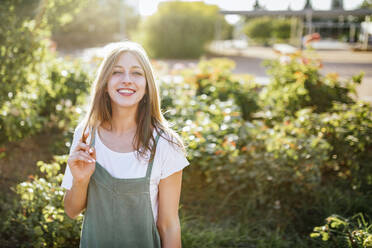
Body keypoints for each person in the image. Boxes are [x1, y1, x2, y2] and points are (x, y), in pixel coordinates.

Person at [61, 41, 190, 248]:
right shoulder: (85, 135)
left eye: (137, 73)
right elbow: (71, 210)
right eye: (117, 72)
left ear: (147, 86)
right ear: (104, 83)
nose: (127, 80)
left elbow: (169, 225)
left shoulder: (166, 145)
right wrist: (80, 181)